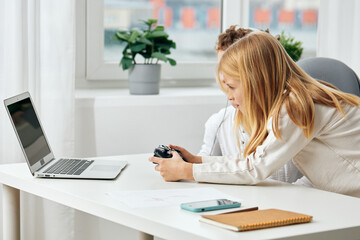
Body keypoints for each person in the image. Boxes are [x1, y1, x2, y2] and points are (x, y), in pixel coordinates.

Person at [149, 31, 360, 198]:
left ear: (256, 81)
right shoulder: (293, 100)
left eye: (231, 87)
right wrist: (197, 162)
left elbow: (254, 168)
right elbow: (254, 159)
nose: (229, 97)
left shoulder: (296, 105)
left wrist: (187, 172)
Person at [199, 26, 306, 186]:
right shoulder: (220, 121)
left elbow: (255, 167)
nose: (223, 77)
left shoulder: (291, 112)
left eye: (230, 68)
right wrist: (189, 164)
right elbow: (222, 164)